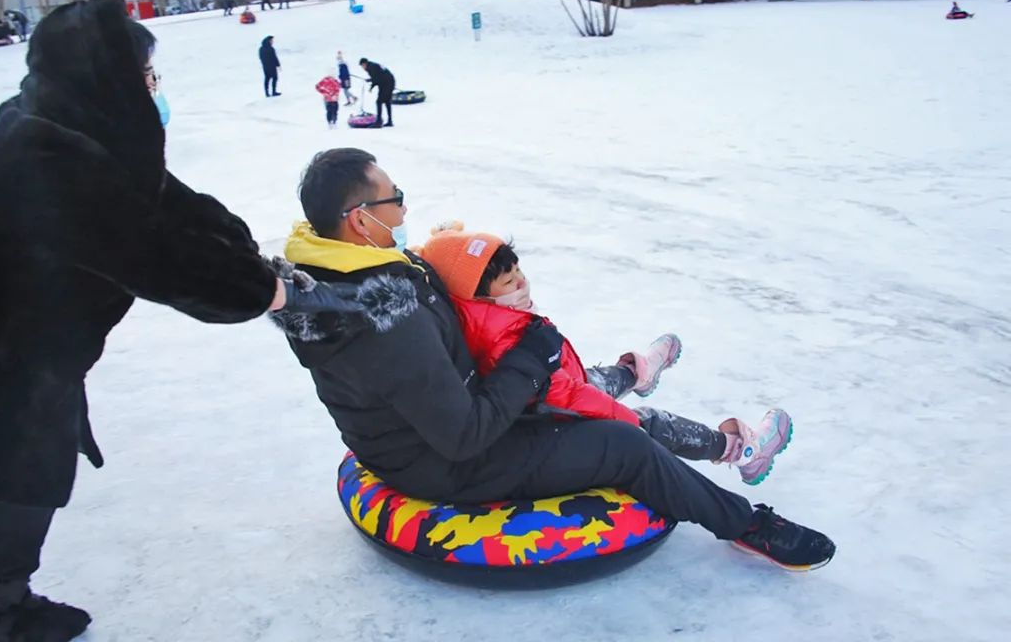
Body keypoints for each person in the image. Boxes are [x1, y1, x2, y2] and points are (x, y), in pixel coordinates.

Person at [0, 0, 359, 642]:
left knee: (29, 460)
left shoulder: (60, 127)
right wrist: (275, 296)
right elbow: (159, 257)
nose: (156, 89)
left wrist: (249, 255)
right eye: (149, 77)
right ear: (114, 82)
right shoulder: (49, 165)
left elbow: (168, 205)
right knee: (27, 460)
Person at [269, 148, 837, 573]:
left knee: (575, 388)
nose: (404, 207)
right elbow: (463, 436)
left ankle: (629, 376)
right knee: (625, 443)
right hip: (441, 459)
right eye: (395, 199)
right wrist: (527, 360)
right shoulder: (384, 322)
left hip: (439, 414)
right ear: (359, 219)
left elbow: (423, 296)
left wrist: (488, 298)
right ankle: (747, 524)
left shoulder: (343, 269)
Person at [417, 224, 791, 486]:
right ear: (479, 297)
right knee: (651, 422)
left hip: (558, 385)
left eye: (519, 271)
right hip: (551, 413)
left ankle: (636, 374)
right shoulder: (505, 339)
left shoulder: (491, 315)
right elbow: (566, 396)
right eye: (509, 280)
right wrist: (627, 421)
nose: (521, 281)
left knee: (596, 380)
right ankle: (741, 452)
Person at [359, 57, 395, 128]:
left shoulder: (371, 68)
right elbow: (377, 77)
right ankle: (390, 121)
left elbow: (377, 79)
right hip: (389, 82)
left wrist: (371, 86)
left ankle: (378, 122)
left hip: (386, 84)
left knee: (379, 102)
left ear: (365, 64)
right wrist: (370, 80)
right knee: (387, 101)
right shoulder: (372, 66)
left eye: (362, 66)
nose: (362, 68)